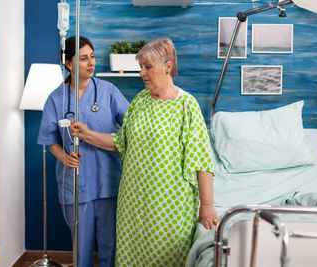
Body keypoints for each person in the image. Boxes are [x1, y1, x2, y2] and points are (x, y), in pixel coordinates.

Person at [70, 37, 217, 266]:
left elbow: (201, 161)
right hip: (133, 204)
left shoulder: (187, 106)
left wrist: (207, 206)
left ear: (168, 67)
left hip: (170, 206)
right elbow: (121, 141)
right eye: (141, 67)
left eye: (147, 67)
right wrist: (87, 134)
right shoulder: (140, 101)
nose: (142, 72)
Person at [37, 35, 129, 267]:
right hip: (76, 185)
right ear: (68, 64)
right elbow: (51, 141)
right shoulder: (56, 99)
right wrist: (65, 158)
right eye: (84, 58)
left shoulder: (108, 91)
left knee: (110, 245)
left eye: (93, 57)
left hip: (108, 183)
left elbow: (131, 126)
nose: (92, 63)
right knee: (81, 249)